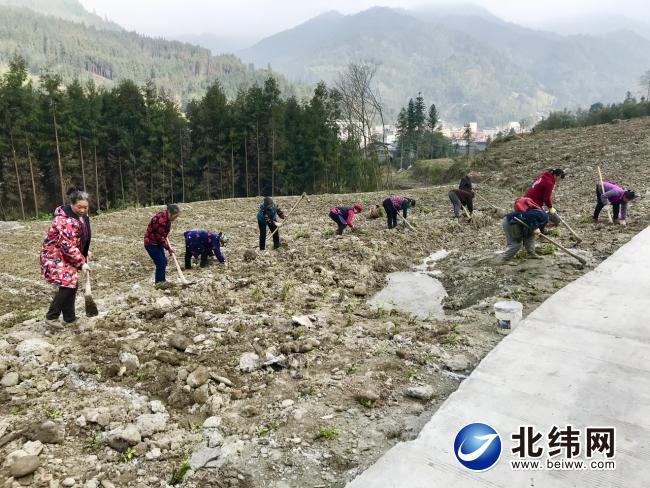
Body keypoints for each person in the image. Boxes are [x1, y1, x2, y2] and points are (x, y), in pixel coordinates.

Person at [40, 189, 92, 330]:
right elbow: (68, 245)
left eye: (85, 207)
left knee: (71, 284)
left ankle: (69, 317)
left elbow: (78, 238)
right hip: (55, 255)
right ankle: (52, 316)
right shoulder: (65, 220)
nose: (82, 210)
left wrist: (85, 252)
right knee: (68, 284)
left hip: (65, 254)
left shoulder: (80, 217)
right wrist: (82, 262)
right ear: (72, 204)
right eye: (79, 207)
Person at [144, 204, 181, 288]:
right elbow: (160, 238)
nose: (175, 219)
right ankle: (159, 284)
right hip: (151, 243)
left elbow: (163, 235)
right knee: (160, 263)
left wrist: (167, 245)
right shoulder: (161, 221)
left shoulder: (167, 218)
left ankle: (162, 281)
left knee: (163, 261)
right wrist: (168, 249)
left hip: (157, 243)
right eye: (175, 217)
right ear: (170, 213)